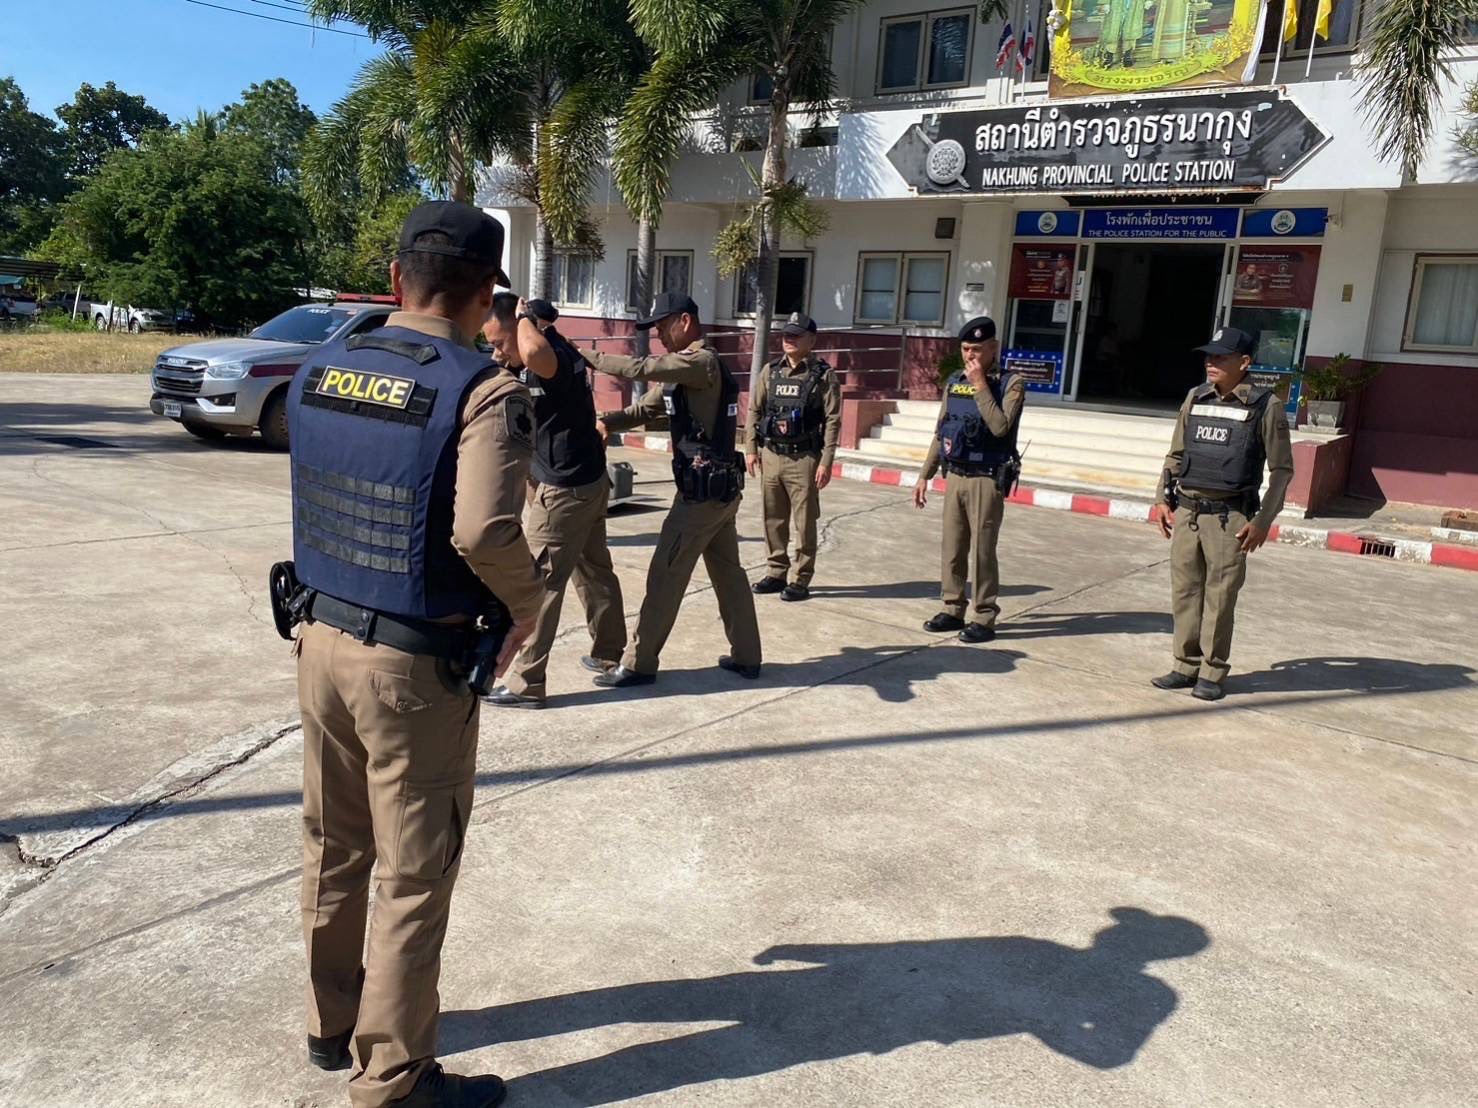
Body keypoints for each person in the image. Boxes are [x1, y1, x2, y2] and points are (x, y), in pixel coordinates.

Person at [285, 201, 542, 1108]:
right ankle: (393, 1081)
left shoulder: (325, 365)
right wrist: (528, 606)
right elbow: (484, 531)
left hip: (319, 636)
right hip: (410, 668)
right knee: (413, 875)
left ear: (397, 278)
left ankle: (331, 1026)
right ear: (486, 294)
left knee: (333, 845)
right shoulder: (484, 391)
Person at [580, 290, 762, 687]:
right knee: (728, 575)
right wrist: (608, 422)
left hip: (701, 497)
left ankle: (639, 663)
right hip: (717, 493)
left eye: (662, 327)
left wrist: (586, 356)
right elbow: (645, 409)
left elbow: (641, 367)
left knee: (665, 574)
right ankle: (747, 656)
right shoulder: (683, 371)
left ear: (685, 321)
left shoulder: (700, 362)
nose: (659, 335)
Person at [480, 294, 626, 708]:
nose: (498, 352)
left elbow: (531, 352)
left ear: (524, 328)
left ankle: (526, 683)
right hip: (586, 480)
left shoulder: (550, 355)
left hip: (565, 490)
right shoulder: (546, 352)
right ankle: (609, 653)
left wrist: (523, 317)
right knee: (595, 570)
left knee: (539, 584)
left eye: (500, 342)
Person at [1150, 326, 1293, 701]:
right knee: (1185, 592)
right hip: (1188, 512)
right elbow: (1176, 454)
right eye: (1209, 355)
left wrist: (1262, 521)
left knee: (1219, 597)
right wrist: (1161, 498)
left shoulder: (1266, 406)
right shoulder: (1195, 396)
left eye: (1220, 357)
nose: (1210, 362)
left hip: (1230, 518)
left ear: (1244, 362)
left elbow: (1282, 470)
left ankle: (1211, 671)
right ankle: (1185, 665)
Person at [913, 316, 1026, 644]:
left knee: (983, 550)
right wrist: (924, 475)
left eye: (976, 349)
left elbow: (1000, 427)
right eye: (965, 349)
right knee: (952, 547)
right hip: (956, 475)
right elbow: (941, 431)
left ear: (993, 348)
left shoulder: (1011, 383)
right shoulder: (954, 381)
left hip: (986, 478)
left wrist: (980, 385)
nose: (970, 356)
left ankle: (984, 615)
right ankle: (952, 608)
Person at [745, 311, 842, 602]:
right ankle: (776, 572)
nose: (789, 339)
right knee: (773, 518)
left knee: (804, 522)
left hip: (804, 459)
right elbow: (754, 410)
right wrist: (750, 449)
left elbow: (833, 420)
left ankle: (800, 578)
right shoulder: (770, 371)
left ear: (811, 340)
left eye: (796, 335)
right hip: (771, 455)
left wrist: (826, 461)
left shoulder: (823, 375)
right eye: (787, 334)